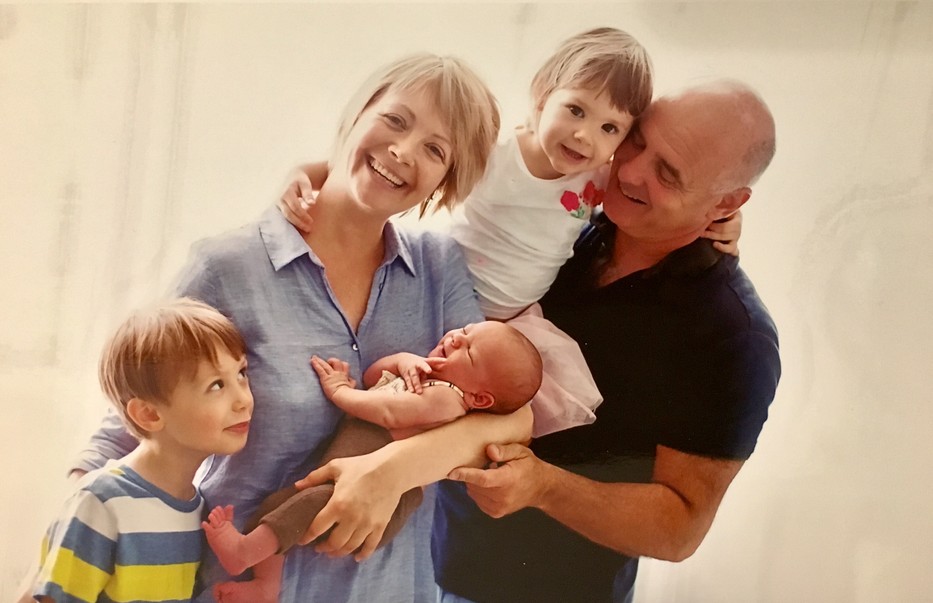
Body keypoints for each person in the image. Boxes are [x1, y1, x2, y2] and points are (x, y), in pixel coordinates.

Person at [69, 54, 533, 603]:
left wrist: (388, 472)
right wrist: (67, 538)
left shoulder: (439, 269)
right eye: (395, 120)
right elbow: (134, 414)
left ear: (445, 181)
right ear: (357, 113)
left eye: (436, 150)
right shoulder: (229, 268)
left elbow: (508, 418)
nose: (404, 151)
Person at [280, 28, 740, 438]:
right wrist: (305, 173)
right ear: (542, 94)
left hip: (504, 327)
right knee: (390, 394)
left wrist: (725, 220)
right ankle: (344, 439)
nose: (584, 136)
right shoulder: (496, 155)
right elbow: (385, 164)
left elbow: (667, 198)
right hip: (438, 296)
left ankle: (390, 467)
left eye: (609, 127)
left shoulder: (598, 177)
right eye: (575, 110)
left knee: (464, 411)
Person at [431, 80, 782, 602]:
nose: (631, 171)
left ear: (727, 203)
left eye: (668, 173)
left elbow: (680, 526)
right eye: (637, 140)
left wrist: (544, 487)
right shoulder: (574, 222)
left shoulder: (732, 336)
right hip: (432, 553)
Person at [202, 321, 543, 601]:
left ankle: (244, 552)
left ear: (480, 398)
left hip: (378, 498)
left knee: (302, 507)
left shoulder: (447, 400)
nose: (455, 339)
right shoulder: (428, 376)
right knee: (279, 507)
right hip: (347, 478)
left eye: (467, 350)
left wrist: (339, 392)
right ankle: (266, 586)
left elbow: (388, 412)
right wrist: (401, 361)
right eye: (465, 331)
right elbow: (373, 379)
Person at [32, 298, 253, 603]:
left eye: (241, 373)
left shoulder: (195, 508)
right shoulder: (101, 502)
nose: (244, 399)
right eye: (216, 385)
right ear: (148, 414)